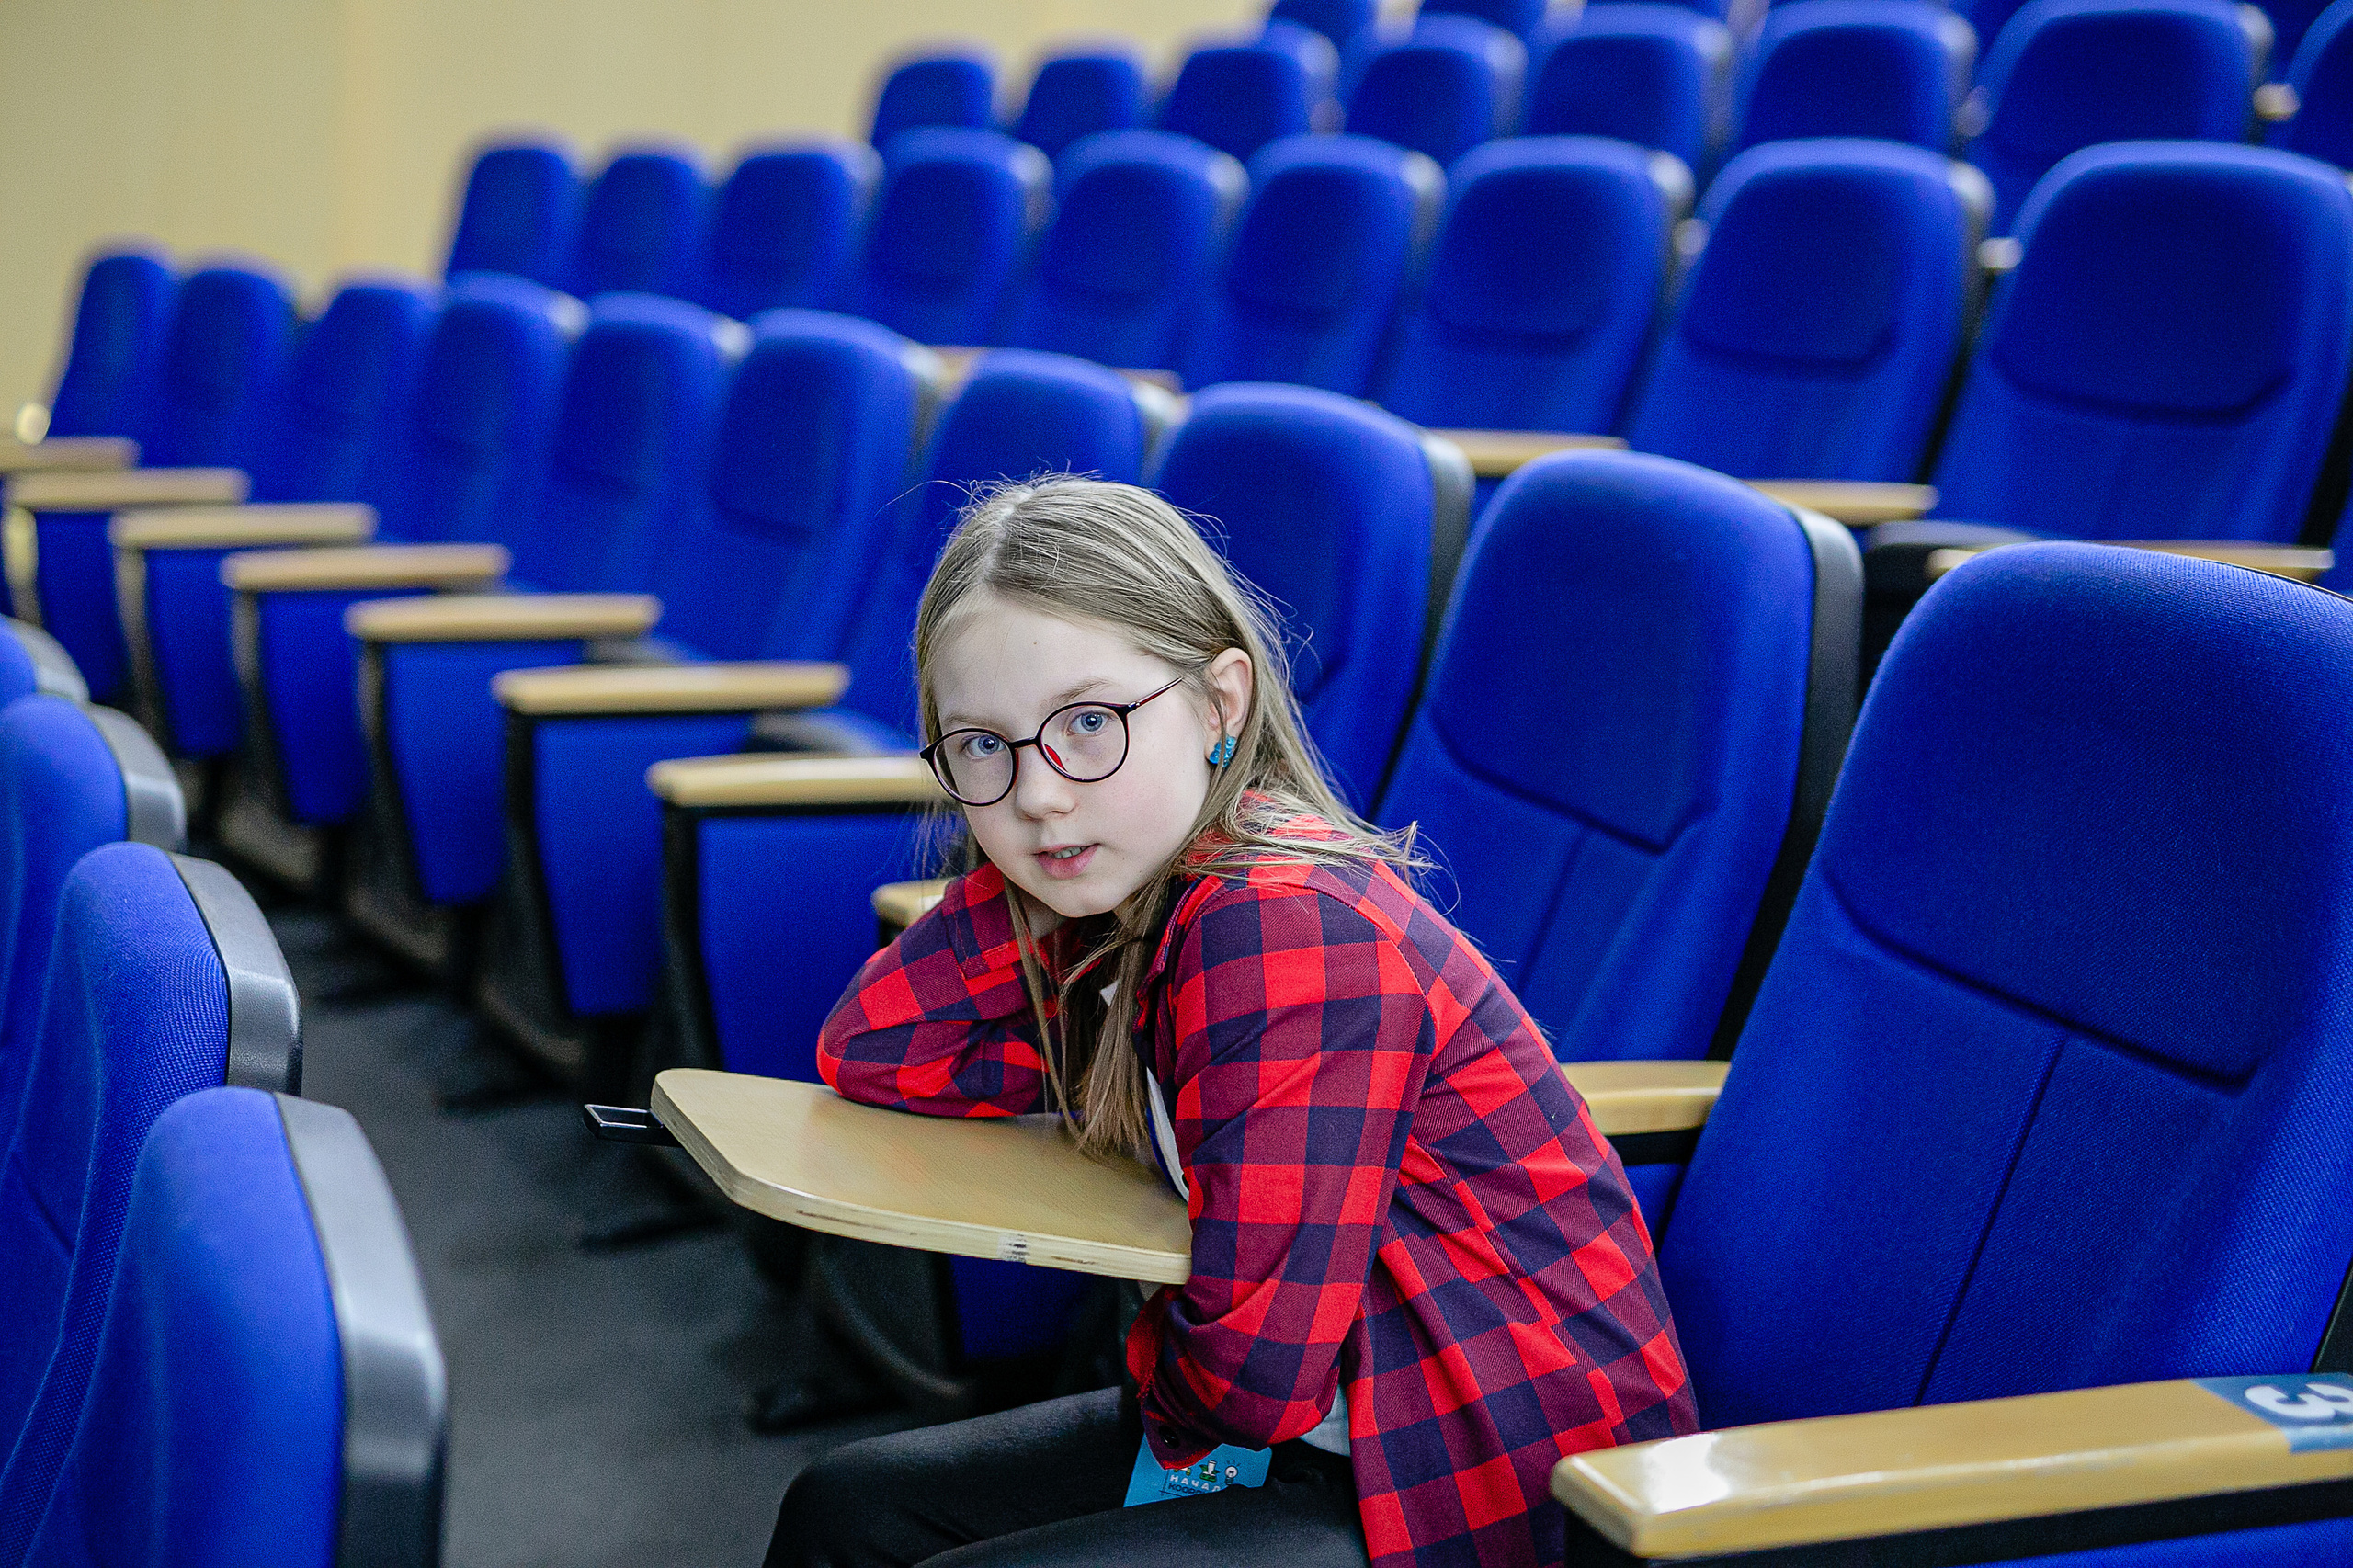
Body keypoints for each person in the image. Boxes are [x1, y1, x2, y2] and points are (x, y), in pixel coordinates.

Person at [766, 478, 1694, 1568]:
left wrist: (1035, 830)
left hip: (1469, 1468)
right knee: (848, 1510)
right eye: (981, 745)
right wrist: (1029, 867)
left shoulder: (1279, 927)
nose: (1040, 792)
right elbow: (877, 1049)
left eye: (1087, 723)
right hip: (1328, 1417)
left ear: (1218, 706)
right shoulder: (1136, 898)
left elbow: (1251, 1379)